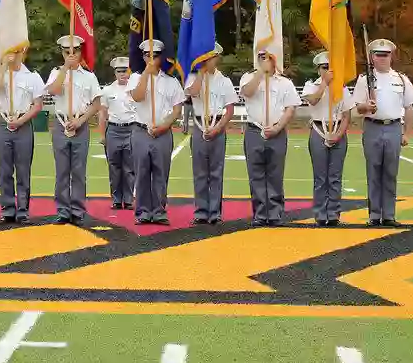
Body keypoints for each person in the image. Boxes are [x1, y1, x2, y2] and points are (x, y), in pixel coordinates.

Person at [353, 38, 413, 226]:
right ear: (372, 57)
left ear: (391, 56)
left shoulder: (401, 79)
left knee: (390, 172)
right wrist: (367, 106)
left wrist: (407, 133)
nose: (382, 58)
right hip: (372, 126)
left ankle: (389, 215)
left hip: (393, 128)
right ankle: (374, 215)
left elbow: (408, 107)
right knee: (373, 171)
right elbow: (358, 108)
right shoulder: (365, 80)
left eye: (385, 55)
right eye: (378, 55)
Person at [240, 49, 301, 226]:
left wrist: (277, 128)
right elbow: (247, 92)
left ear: (275, 59)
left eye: (267, 57)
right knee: (256, 174)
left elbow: (290, 109)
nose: (263, 60)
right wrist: (261, 73)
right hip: (254, 131)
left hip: (277, 132)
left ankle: (274, 213)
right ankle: (260, 213)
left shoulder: (285, 83)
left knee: (275, 174)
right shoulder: (249, 77)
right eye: (260, 57)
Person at [46, 35, 102, 225]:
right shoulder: (56, 72)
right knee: (62, 170)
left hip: (81, 124)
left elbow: (96, 104)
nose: (71, 55)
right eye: (67, 51)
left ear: (80, 52)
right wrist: (65, 69)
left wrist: (82, 120)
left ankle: (77, 210)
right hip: (61, 125)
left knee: (78, 171)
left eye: (75, 51)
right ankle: (63, 210)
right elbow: (53, 90)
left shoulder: (89, 76)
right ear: (62, 53)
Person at [128, 39, 185, 225]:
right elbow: (137, 97)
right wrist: (146, 74)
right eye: (147, 55)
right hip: (141, 130)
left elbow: (177, 109)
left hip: (162, 132)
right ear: (143, 57)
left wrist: (164, 126)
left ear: (161, 57)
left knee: (161, 173)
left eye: (155, 55)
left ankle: (159, 211)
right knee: (141, 173)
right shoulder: (136, 77)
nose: (151, 59)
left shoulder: (171, 81)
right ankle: (143, 212)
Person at [0, 47, 45, 224]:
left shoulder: (32, 77)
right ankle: (7, 209)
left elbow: (37, 105)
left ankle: (23, 210)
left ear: (23, 52)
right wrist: (4, 66)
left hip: (23, 124)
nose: (13, 54)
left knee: (23, 169)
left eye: (17, 51)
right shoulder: (0, 74)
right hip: (4, 123)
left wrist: (21, 121)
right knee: (4, 170)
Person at [184, 44, 235, 225]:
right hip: (199, 126)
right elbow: (193, 93)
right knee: (199, 172)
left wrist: (218, 127)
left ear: (217, 58)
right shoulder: (192, 77)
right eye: (205, 58)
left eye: (211, 58)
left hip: (218, 126)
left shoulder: (225, 81)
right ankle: (201, 211)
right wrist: (201, 73)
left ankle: (215, 212)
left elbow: (229, 109)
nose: (208, 61)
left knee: (216, 172)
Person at [302, 51, 355, 226]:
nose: (327, 71)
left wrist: (339, 134)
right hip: (318, 131)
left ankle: (333, 214)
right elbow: (313, 100)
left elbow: (347, 115)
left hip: (338, 130)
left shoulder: (342, 88)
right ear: (318, 70)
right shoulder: (312, 85)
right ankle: (320, 214)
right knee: (320, 177)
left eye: (330, 68)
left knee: (335, 177)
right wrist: (324, 84)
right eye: (324, 68)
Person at [98, 56, 137, 210]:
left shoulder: (135, 89)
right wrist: (102, 135)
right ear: (114, 72)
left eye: (125, 71)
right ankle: (116, 199)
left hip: (132, 129)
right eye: (119, 71)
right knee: (114, 166)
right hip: (113, 130)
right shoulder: (107, 90)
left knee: (129, 167)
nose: (122, 74)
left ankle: (128, 200)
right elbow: (102, 114)